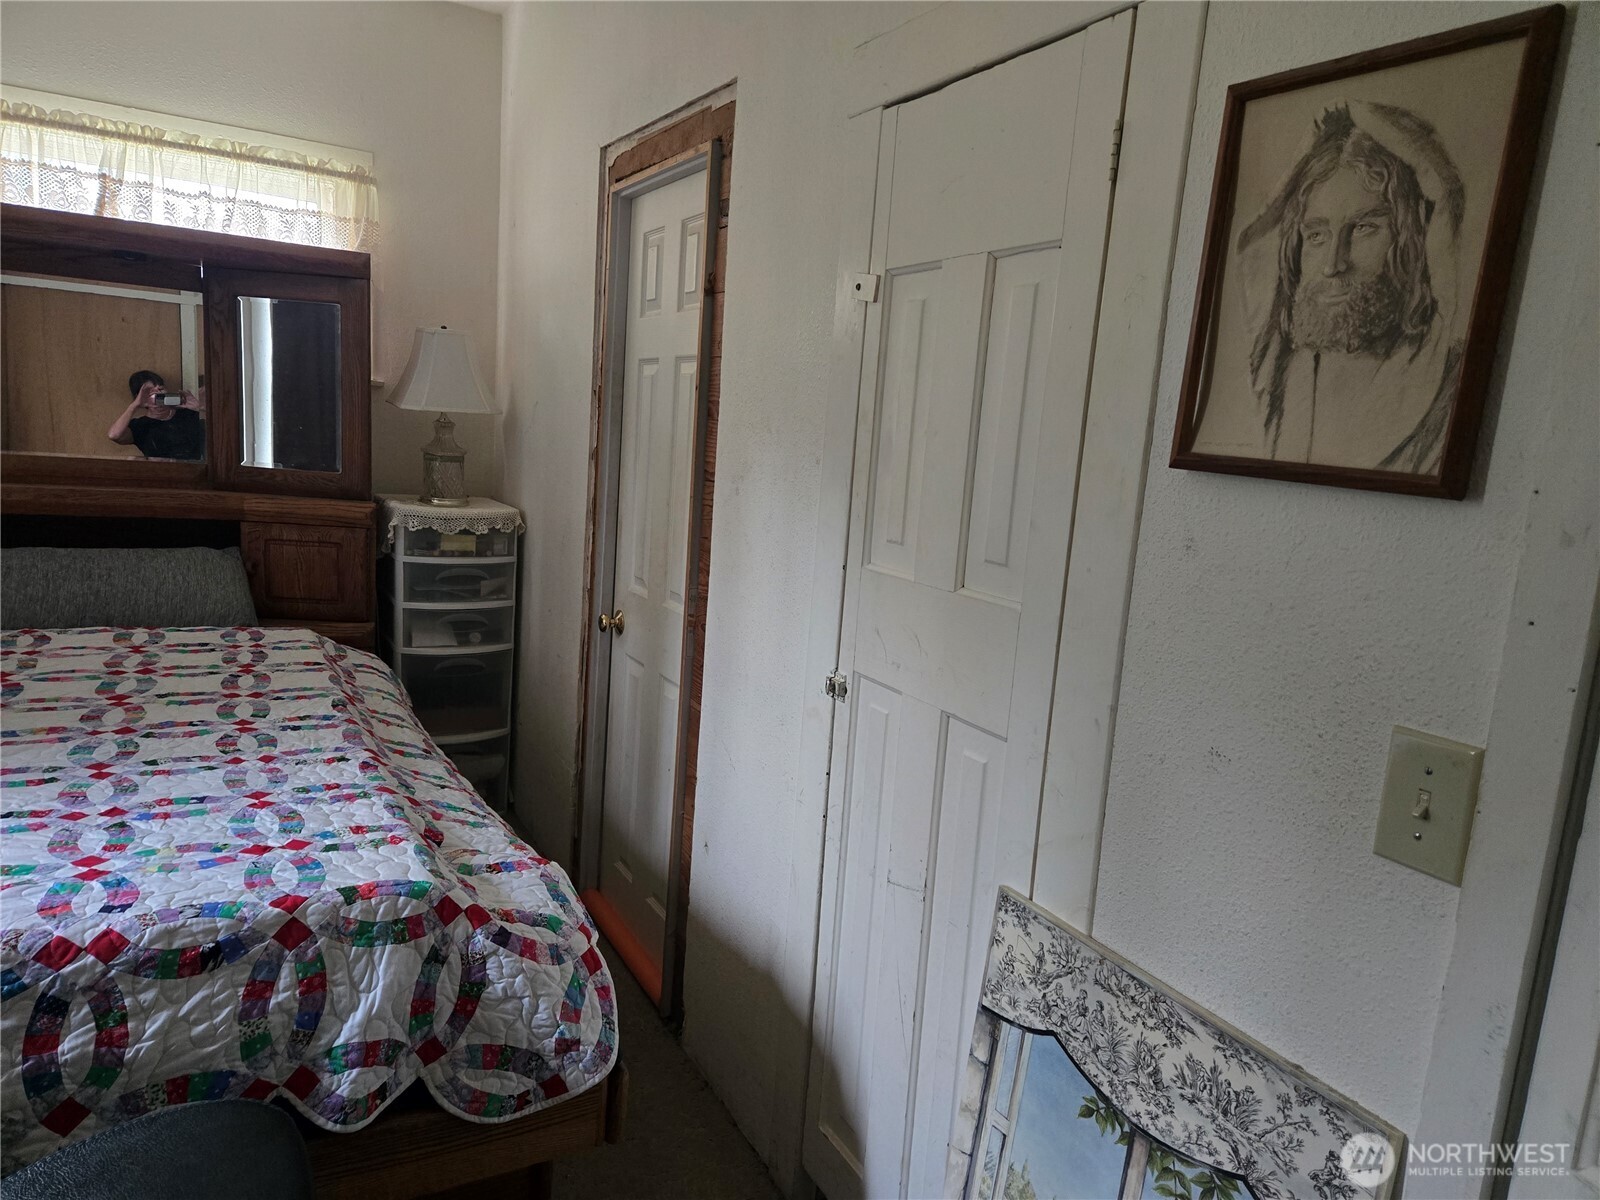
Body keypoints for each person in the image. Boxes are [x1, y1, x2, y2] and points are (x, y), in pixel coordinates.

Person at [1234, 102, 1466, 472]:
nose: (1333, 264)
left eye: (1363, 228)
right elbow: (1254, 245)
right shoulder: (1276, 361)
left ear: (1411, 239)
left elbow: (1443, 193)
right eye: (1316, 235)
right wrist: (1316, 136)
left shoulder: (1435, 356)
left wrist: (1358, 111)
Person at [108, 370, 206, 461]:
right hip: (163, 474)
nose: (157, 393)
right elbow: (114, 435)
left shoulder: (187, 414)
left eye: (160, 388)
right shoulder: (140, 426)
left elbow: (216, 434)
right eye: (149, 391)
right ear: (139, 397)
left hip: (196, 471)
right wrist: (134, 405)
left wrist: (198, 407)